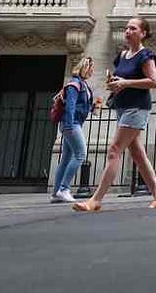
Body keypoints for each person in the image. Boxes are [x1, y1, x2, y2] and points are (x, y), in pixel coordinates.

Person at [74, 17, 156, 211]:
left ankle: (96, 200)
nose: (127, 31)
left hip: (137, 107)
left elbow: (154, 81)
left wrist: (124, 83)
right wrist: (115, 82)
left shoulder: (145, 55)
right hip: (122, 106)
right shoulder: (122, 55)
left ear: (143, 33)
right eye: (126, 28)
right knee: (138, 154)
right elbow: (122, 78)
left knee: (114, 150)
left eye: (133, 28)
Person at [51, 57, 97, 202]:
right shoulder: (74, 84)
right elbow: (70, 106)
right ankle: (64, 189)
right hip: (71, 124)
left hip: (74, 123)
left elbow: (81, 106)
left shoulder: (83, 85)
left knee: (65, 159)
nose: (92, 71)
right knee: (80, 155)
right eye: (91, 68)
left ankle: (57, 193)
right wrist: (69, 125)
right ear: (85, 68)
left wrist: (94, 107)